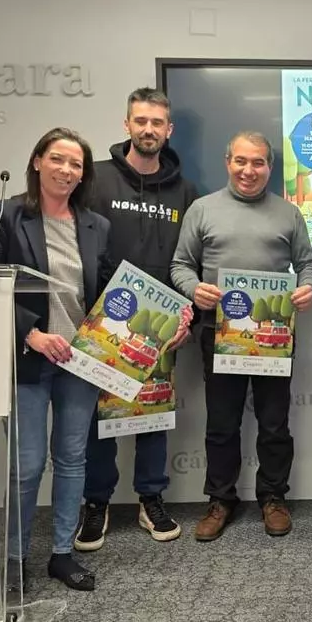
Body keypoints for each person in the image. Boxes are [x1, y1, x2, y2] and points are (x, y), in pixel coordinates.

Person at [0, 127, 110, 592]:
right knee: (27, 466)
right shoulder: (7, 215)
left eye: (76, 164)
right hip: (28, 357)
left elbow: (107, 294)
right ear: (37, 161)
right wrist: (30, 333)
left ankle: (62, 554)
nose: (66, 170)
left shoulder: (96, 225)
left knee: (71, 459)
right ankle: (15, 558)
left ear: (83, 174)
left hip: (80, 361)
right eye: (57, 159)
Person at [170, 130, 312, 539]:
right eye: (241, 161)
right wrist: (193, 288)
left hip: (273, 335)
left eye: (258, 163)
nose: (248, 170)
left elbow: (308, 266)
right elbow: (180, 265)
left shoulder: (289, 213)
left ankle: (273, 497)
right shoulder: (202, 209)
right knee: (222, 423)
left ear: (269, 167)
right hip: (220, 333)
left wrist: (309, 288)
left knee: (274, 424)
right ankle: (221, 499)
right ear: (227, 162)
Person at [74, 87, 199, 552]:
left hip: (161, 324)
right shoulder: (95, 180)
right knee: (100, 421)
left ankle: (151, 498)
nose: (149, 129)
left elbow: (192, 261)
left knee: (153, 416)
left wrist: (187, 317)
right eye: (141, 121)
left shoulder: (186, 191)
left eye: (157, 123)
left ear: (169, 130)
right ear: (127, 124)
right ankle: (96, 502)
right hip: (103, 323)